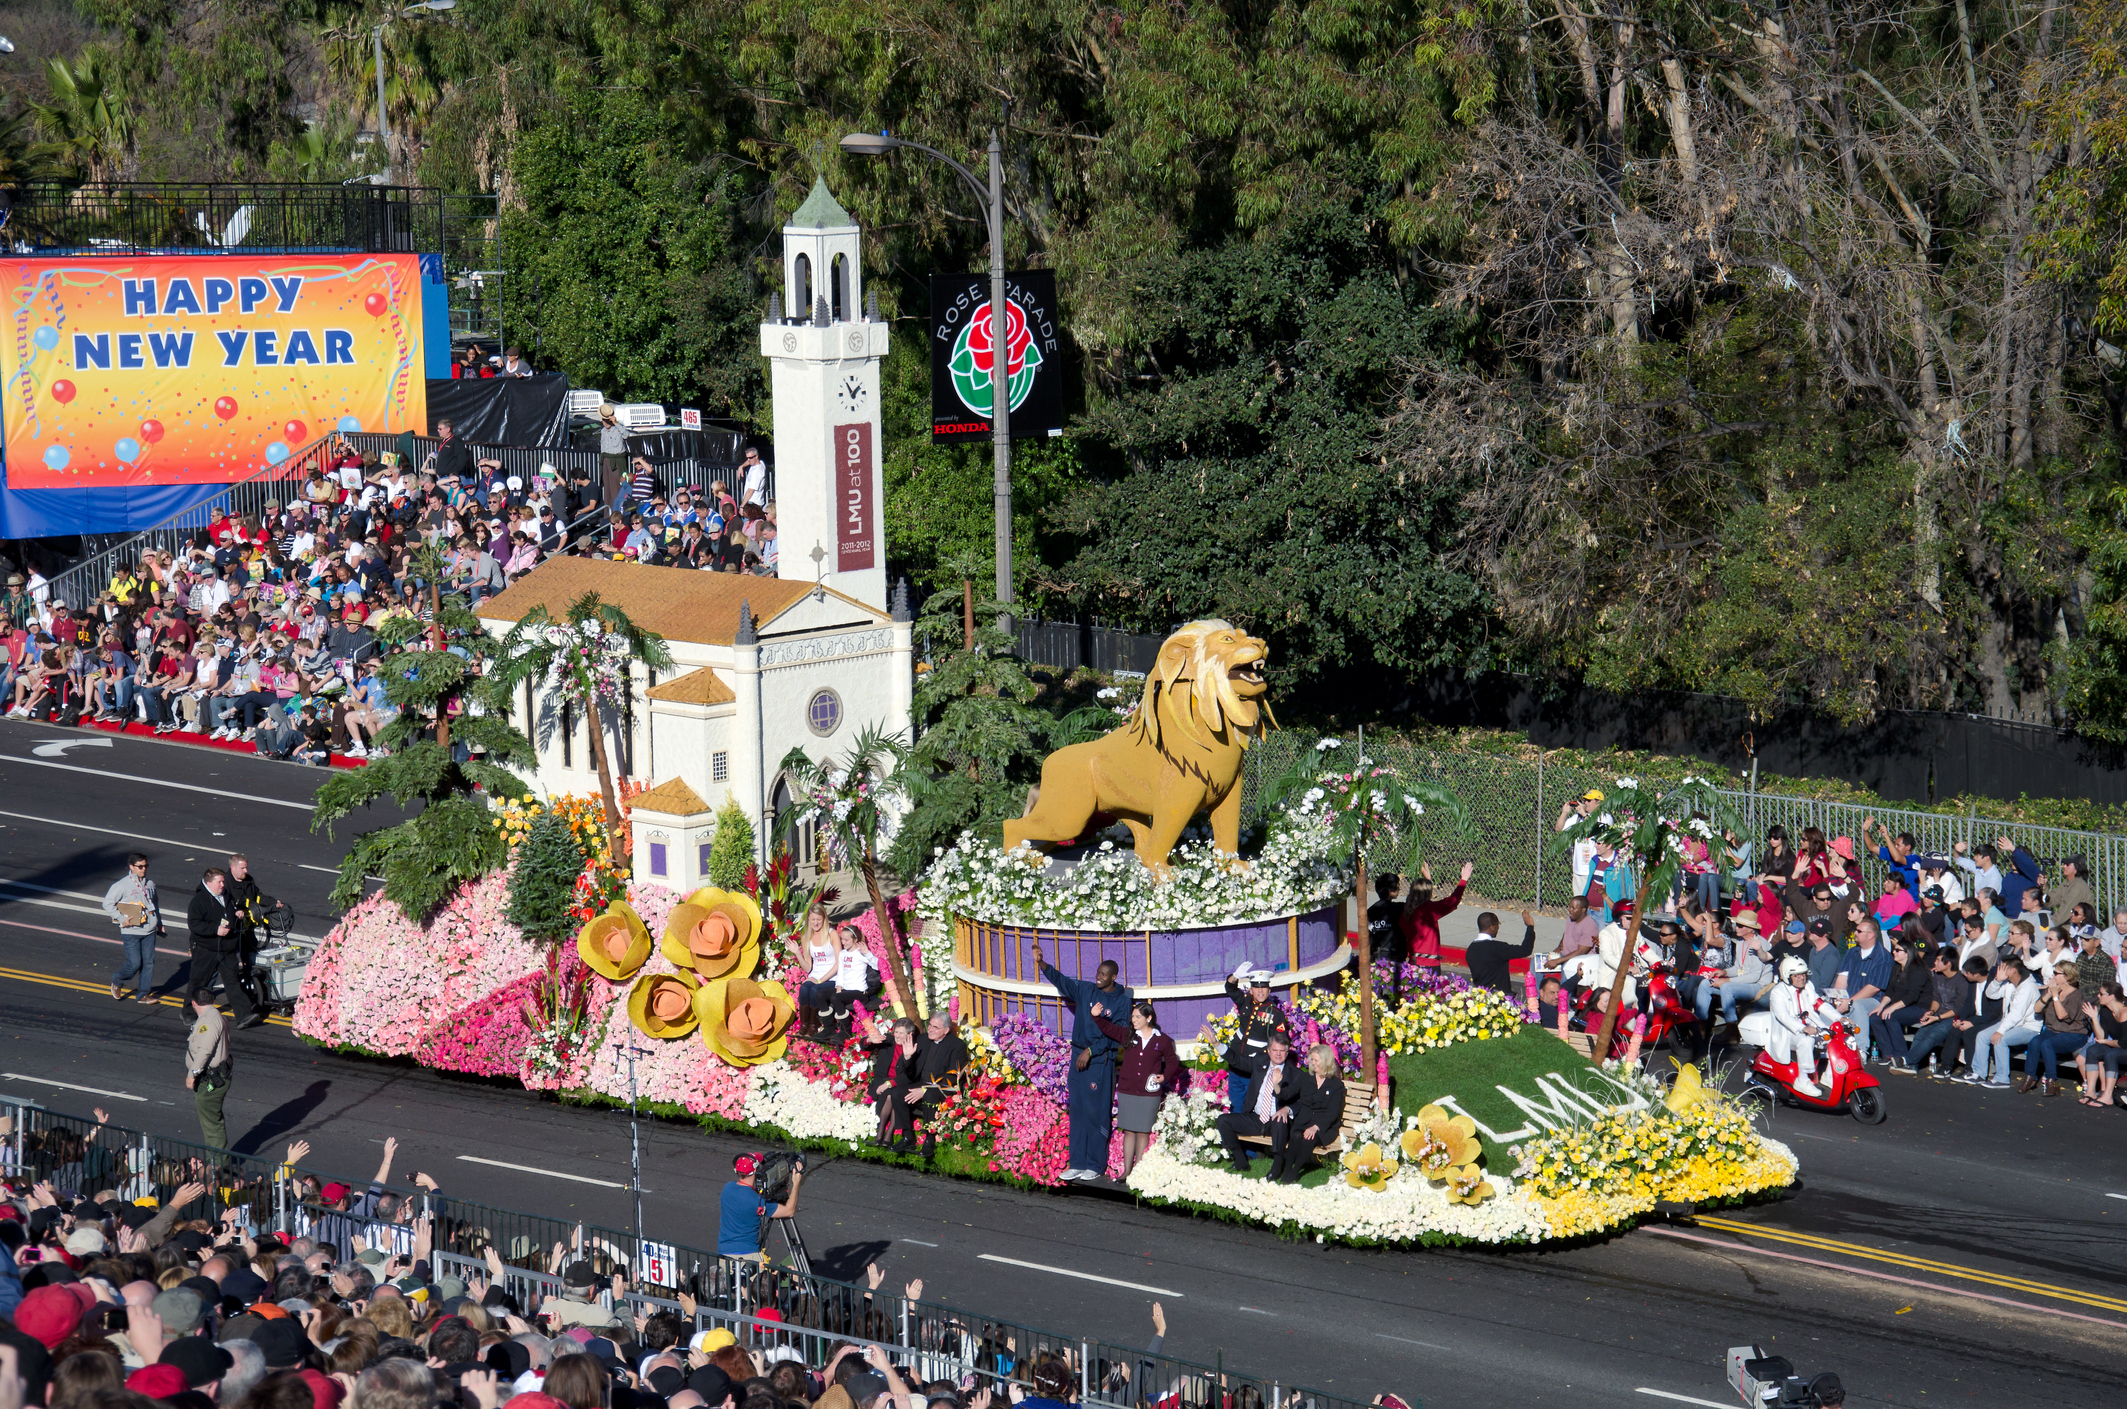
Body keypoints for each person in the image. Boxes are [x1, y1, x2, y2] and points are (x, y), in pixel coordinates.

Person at [1034, 939, 1132, 1182]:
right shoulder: (1087, 990)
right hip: (1077, 1057)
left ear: (1114, 976)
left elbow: (1120, 1035)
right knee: (1077, 1111)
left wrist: (1091, 1050)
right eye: (1098, 972)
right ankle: (1076, 1163)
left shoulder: (1122, 1000)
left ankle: (1094, 1165)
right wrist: (1042, 963)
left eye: (1104, 974)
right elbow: (1063, 981)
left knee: (1095, 1112)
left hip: (1099, 1062)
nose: (1098, 977)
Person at [1093, 1000, 1181, 1177]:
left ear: (1148, 1018)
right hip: (1128, 1091)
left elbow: (1173, 1060)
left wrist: (1165, 1076)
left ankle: (1138, 1172)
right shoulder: (1128, 1035)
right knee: (1129, 1131)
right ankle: (1127, 1171)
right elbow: (1109, 1029)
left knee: (1143, 1131)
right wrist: (1096, 1017)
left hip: (1149, 1094)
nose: (1134, 1020)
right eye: (1132, 1016)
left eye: (1138, 1016)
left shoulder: (1162, 1040)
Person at [1215, 1033, 1303, 1175]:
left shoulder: (1295, 1074)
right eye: (1275, 1050)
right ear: (1268, 1051)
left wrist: (1287, 1109)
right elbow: (1237, 1060)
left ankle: (1276, 1166)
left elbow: (1303, 1101)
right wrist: (1216, 1043)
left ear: (1287, 1052)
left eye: (1282, 1051)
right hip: (1256, 1118)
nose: (1278, 1054)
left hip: (1277, 1122)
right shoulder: (1259, 1062)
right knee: (1223, 1121)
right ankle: (1240, 1160)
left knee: (1280, 1120)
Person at [186, 867, 260, 1029]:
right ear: (208, 883)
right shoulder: (199, 901)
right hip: (207, 949)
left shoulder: (226, 895)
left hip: (227, 948)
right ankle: (189, 1013)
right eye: (219, 882)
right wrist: (215, 930)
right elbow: (194, 924)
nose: (222, 885)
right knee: (199, 982)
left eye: (223, 881)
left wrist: (238, 912)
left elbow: (231, 909)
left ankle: (244, 1015)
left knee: (232, 981)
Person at [1216, 963, 1292, 1117]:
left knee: (1251, 1107)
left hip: (1255, 1066)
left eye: (1263, 988)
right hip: (1237, 1060)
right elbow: (1230, 988)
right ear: (1251, 990)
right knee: (1235, 1105)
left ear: (1269, 990)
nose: (1260, 991)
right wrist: (1235, 976)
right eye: (1256, 988)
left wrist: (1262, 1058)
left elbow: (1280, 1042)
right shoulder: (1246, 1002)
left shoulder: (1275, 1014)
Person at [1277, 1043, 1346, 1185]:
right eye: (1312, 1060)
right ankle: (1287, 1170)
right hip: (1303, 1121)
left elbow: (1333, 1112)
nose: (1313, 1063)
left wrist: (1316, 1127)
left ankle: (1295, 1172)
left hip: (1324, 1126)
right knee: (1296, 1135)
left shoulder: (1336, 1085)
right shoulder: (1305, 1078)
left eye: (1316, 1060)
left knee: (1309, 1137)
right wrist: (1276, 1085)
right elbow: (1288, 1094)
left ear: (1326, 1061)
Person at [1768, 955, 1835, 1097]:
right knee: (1806, 1041)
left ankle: (1829, 1074)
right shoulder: (1778, 992)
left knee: (1834, 1039)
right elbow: (1782, 1016)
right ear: (1787, 976)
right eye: (1797, 975)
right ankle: (1803, 1080)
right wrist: (1802, 1028)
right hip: (1789, 1033)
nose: (1802, 978)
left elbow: (1820, 1005)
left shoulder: (1808, 987)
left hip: (1812, 1027)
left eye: (1804, 974)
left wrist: (1840, 1018)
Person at [904, 1012, 970, 1157]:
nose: (930, 1029)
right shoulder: (923, 1039)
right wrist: (907, 1058)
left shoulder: (957, 1045)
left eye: (935, 1027)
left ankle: (929, 1141)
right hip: (922, 1082)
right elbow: (911, 1071)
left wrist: (925, 1089)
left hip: (943, 1087)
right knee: (897, 1092)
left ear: (946, 1030)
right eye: (930, 1025)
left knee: (930, 1094)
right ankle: (906, 1136)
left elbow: (952, 1075)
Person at [716, 1151, 801, 1263]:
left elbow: (746, 1194)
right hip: (748, 1256)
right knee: (754, 1281)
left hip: (724, 1254)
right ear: (755, 1170)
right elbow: (789, 1211)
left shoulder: (727, 1188)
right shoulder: (757, 1200)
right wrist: (796, 1184)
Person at [102, 851, 164, 1004]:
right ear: (131, 867)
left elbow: (154, 904)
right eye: (140, 866)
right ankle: (117, 980)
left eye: (146, 865)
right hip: (131, 931)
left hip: (149, 930)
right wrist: (122, 919)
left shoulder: (150, 884)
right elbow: (107, 903)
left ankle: (143, 994)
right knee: (135, 963)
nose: (144, 869)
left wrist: (159, 922)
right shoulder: (122, 885)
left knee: (148, 963)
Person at [1399, 860, 1474, 971]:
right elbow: (1452, 901)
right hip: (1429, 964)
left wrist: (1427, 880)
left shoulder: (1406, 911)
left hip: (1413, 961)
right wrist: (1463, 880)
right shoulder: (1429, 910)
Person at [183, 988, 232, 1150]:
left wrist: (192, 1074)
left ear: (194, 1003)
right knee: (211, 1123)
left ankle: (218, 1168)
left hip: (210, 1078)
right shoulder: (212, 1016)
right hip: (213, 1075)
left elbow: (205, 1050)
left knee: (212, 1126)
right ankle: (216, 1163)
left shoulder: (208, 1022)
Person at [1465, 910, 1536, 994]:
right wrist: (1530, 927)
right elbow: (1525, 950)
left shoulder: (1471, 949)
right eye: (1497, 924)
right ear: (1492, 927)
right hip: (1500, 998)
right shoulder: (1497, 948)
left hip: (1481, 998)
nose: (1498, 927)